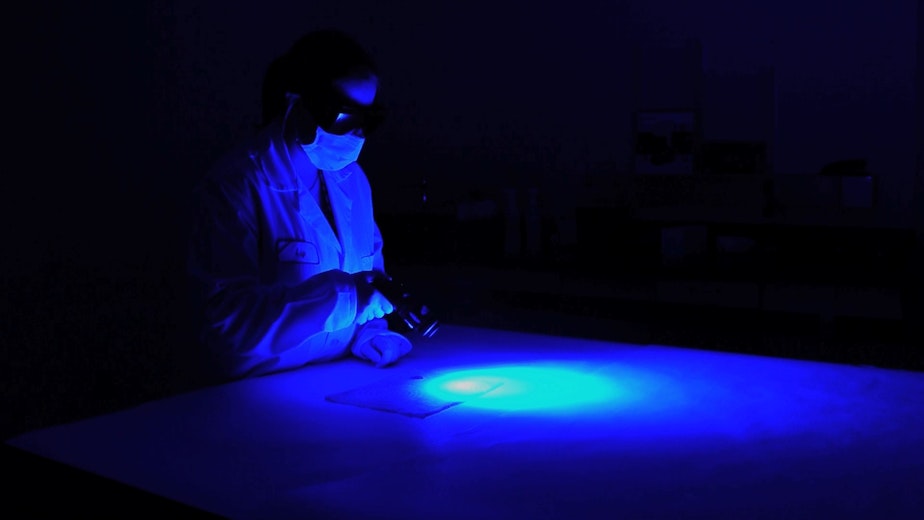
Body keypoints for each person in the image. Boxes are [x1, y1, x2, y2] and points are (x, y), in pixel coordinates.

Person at [187, 28, 412, 382]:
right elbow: (226, 325)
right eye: (345, 116)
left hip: (331, 389)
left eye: (369, 120)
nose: (358, 134)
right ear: (295, 102)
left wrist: (370, 333)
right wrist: (344, 298)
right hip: (251, 398)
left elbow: (369, 293)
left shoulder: (353, 183)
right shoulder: (234, 187)